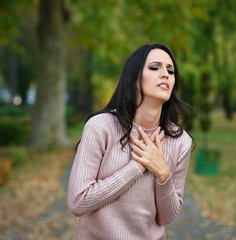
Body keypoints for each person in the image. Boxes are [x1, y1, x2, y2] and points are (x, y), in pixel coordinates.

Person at [67, 43, 193, 240]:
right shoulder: (100, 127)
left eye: (171, 70)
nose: (166, 74)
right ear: (133, 78)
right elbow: (78, 202)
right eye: (154, 67)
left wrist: (163, 173)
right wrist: (137, 166)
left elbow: (167, 217)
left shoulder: (180, 141)